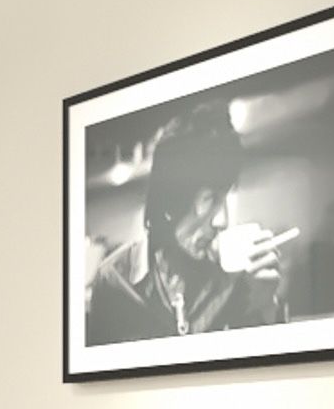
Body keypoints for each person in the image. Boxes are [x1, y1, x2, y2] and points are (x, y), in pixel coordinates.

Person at [85, 106, 293, 345]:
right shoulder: (114, 280)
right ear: (170, 201)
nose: (222, 220)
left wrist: (266, 306)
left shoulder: (236, 280)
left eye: (225, 198)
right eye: (210, 199)